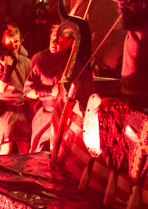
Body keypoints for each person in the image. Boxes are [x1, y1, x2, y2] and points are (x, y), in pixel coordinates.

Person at [24, 24, 95, 152]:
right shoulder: (40, 61)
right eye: (52, 36)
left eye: (59, 39)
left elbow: (89, 95)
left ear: (70, 42)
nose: (54, 41)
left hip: (68, 119)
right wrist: (50, 92)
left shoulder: (77, 67)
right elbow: (28, 91)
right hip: (44, 117)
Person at [0, 24, 33, 154]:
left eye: (16, 41)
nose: (13, 45)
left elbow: (30, 86)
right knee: (5, 151)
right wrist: (7, 69)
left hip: (22, 111)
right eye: (10, 42)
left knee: (25, 153)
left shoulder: (27, 62)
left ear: (20, 41)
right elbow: (1, 88)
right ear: (4, 42)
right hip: (6, 111)